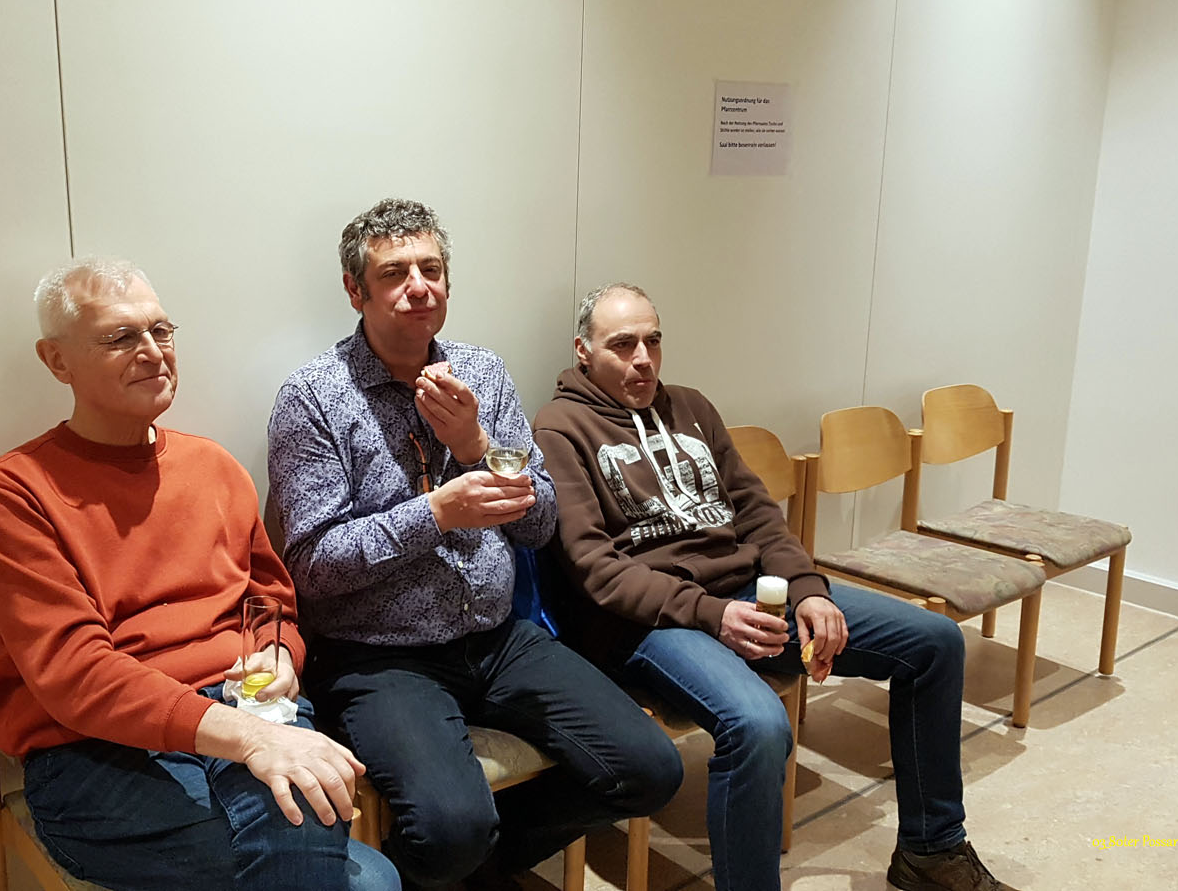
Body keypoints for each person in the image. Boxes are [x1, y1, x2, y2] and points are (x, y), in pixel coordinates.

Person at [532, 282, 1021, 891]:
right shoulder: (558, 429)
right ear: (583, 351)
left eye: (653, 342)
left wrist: (808, 588)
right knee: (759, 726)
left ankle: (932, 850)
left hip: (749, 592)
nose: (643, 360)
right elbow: (595, 569)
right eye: (623, 345)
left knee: (935, 643)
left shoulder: (691, 406)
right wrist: (712, 615)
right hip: (654, 623)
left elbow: (757, 511)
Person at [267, 200, 682, 888]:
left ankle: (472, 870)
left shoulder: (482, 373)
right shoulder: (313, 397)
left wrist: (474, 444)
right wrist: (435, 513)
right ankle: (456, 861)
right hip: (380, 656)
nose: (418, 287)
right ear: (355, 291)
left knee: (651, 769)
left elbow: (537, 524)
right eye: (394, 273)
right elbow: (312, 567)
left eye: (431, 269)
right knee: (451, 828)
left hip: (497, 638)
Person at [0, 257, 399, 891]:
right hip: (93, 751)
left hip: (242, 705)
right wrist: (247, 739)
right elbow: (75, 673)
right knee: (365, 879)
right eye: (120, 337)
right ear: (57, 361)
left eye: (161, 330)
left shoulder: (214, 467)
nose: (152, 351)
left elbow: (270, 601)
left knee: (326, 838)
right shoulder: (13, 493)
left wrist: (278, 654)